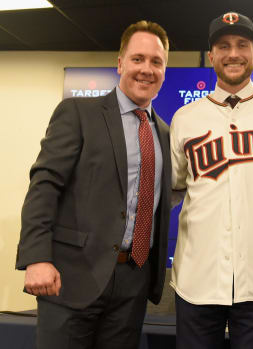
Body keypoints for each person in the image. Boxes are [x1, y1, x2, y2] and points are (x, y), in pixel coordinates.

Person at [15, 20, 172, 349]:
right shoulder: (78, 113)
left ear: (165, 68)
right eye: (138, 59)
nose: (146, 69)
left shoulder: (166, 134)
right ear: (120, 63)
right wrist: (36, 258)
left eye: (156, 62)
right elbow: (44, 185)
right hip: (70, 278)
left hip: (133, 284)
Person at [170, 11, 253, 349]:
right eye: (224, 46)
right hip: (197, 277)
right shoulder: (185, 119)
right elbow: (172, 187)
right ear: (211, 55)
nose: (233, 54)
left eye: (242, 44)